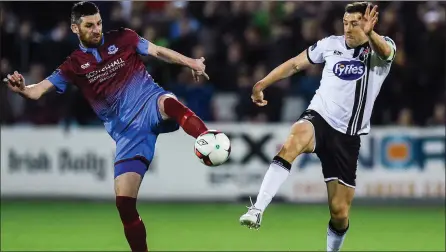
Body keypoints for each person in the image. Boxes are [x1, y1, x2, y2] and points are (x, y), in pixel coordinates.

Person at [4, 2, 216, 251]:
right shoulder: (73, 65)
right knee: (124, 204)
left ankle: (207, 137)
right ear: (75, 28)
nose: (97, 29)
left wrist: (191, 62)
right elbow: (38, 91)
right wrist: (22, 89)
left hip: (149, 103)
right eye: (89, 25)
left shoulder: (124, 37)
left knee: (168, 102)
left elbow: (157, 51)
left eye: (99, 23)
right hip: (128, 134)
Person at [239, 2, 396, 252]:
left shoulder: (379, 50)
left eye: (354, 23)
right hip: (320, 117)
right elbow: (294, 64)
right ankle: (257, 208)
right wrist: (262, 83)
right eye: (345, 23)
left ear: (368, 24)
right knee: (294, 140)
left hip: (348, 137)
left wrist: (370, 34)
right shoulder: (329, 44)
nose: (347, 28)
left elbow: (387, 52)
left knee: (339, 213)